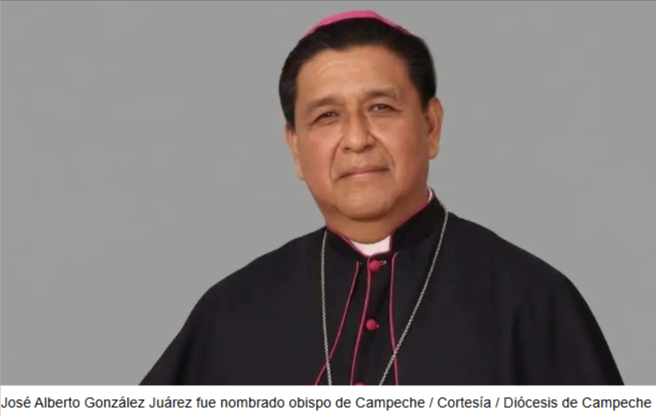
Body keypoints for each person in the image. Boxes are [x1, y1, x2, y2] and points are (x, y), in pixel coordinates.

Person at [141, 10, 623, 385]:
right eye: (327, 116)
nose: (356, 139)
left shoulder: (532, 300)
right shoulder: (233, 310)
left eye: (380, 107)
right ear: (295, 148)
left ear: (430, 126)